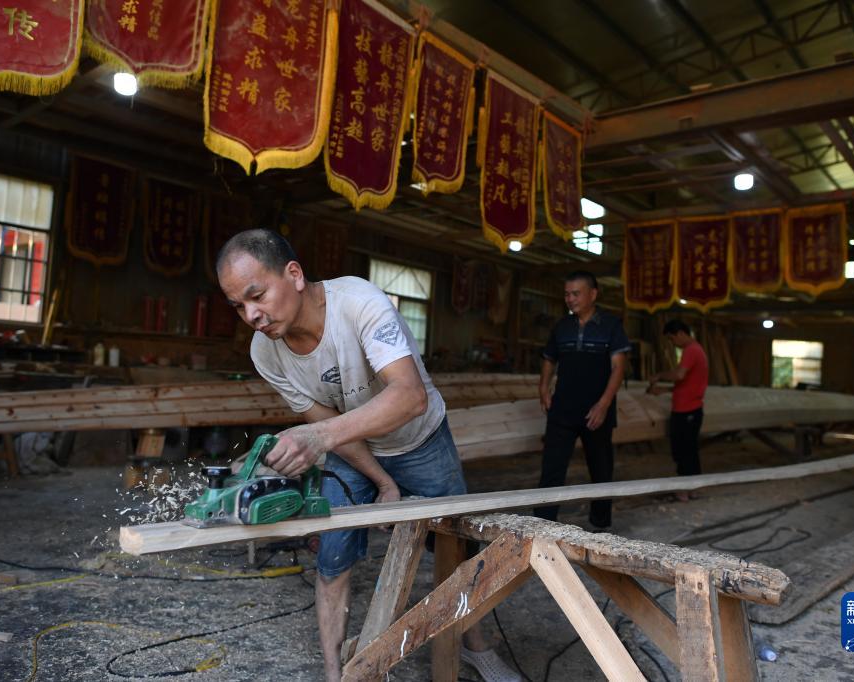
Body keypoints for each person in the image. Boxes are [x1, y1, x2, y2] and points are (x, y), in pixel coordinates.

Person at [216, 229, 519, 682]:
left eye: (257, 296)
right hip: (351, 448)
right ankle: (336, 673)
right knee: (332, 559)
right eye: (239, 306)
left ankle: (476, 645)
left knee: (455, 550)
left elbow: (410, 396)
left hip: (422, 439)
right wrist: (382, 481)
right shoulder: (266, 352)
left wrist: (317, 438)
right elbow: (328, 426)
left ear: (294, 275)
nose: (252, 316)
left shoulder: (359, 303)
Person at [533, 271, 630, 530]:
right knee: (551, 469)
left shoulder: (611, 326)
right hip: (562, 409)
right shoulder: (562, 326)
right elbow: (549, 358)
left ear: (593, 294)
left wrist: (604, 404)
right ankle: (543, 523)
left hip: (596, 410)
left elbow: (618, 367)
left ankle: (600, 523)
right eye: (567, 294)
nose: (570, 299)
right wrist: (543, 387)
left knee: (600, 470)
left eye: (576, 293)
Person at [648, 319, 709, 501]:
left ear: (680, 334)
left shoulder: (691, 350)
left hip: (688, 411)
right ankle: (692, 489)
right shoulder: (695, 350)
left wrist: (659, 376)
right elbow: (688, 383)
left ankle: (686, 490)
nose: (672, 343)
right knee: (687, 450)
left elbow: (679, 374)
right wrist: (665, 390)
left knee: (684, 451)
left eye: (671, 339)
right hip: (688, 408)